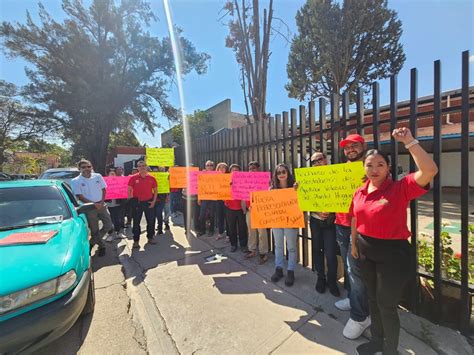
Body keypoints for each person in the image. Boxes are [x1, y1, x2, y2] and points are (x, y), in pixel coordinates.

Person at [351, 127, 437, 355]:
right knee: (372, 300)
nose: (374, 169)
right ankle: (377, 343)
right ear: (363, 168)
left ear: (389, 167)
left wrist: (409, 141)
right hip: (365, 251)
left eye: (380, 164)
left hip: (393, 255)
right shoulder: (359, 192)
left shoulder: (399, 188)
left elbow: (429, 170)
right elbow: (355, 218)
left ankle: (391, 350)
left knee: (386, 305)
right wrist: (353, 243)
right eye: (369, 165)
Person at [334, 134, 371, 340]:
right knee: (349, 269)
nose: (350, 150)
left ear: (362, 146)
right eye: (347, 148)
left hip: (361, 227)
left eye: (354, 146)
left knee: (356, 271)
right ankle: (352, 298)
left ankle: (360, 315)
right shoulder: (340, 170)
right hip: (341, 223)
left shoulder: (371, 167)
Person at [308, 152, 339, 297]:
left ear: (325, 160)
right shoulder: (308, 179)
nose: (316, 163)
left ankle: (332, 282)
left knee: (331, 253)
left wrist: (330, 212)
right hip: (315, 220)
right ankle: (321, 278)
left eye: (319, 160)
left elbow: (342, 196)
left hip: (330, 222)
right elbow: (305, 200)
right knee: (316, 250)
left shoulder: (335, 176)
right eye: (313, 162)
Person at [71, 159, 113, 257]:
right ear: (79, 169)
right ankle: (102, 246)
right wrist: (94, 204)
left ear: (91, 167)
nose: (87, 169)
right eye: (84, 167)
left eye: (89, 166)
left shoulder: (97, 176)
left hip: (101, 204)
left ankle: (91, 243)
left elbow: (104, 190)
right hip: (88, 207)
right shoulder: (75, 181)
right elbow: (80, 196)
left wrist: (102, 202)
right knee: (94, 229)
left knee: (108, 225)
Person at [270, 163, 298, 287]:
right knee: (278, 246)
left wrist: (298, 191)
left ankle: (291, 271)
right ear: (276, 175)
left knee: (291, 247)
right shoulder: (272, 189)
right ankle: (279, 269)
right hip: (277, 221)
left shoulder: (294, 187)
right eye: (279, 172)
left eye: (283, 172)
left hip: (291, 221)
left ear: (288, 173)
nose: (281, 174)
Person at [128, 160, 157, 248]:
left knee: (151, 221)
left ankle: (150, 237)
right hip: (137, 203)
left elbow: (155, 191)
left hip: (149, 202)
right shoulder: (133, 178)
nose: (142, 167)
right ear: (137, 168)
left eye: (143, 165)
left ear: (146, 167)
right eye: (140, 166)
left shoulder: (152, 178)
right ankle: (136, 241)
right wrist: (131, 201)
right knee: (136, 222)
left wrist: (153, 201)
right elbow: (129, 189)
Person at [244, 161, 269, 264]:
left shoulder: (264, 180)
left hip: (261, 210)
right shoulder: (246, 180)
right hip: (250, 209)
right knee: (251, 231)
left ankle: (263, 253)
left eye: (253, 168)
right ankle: (252, 249)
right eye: (250, 169)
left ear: (258, 169)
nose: (251, 170)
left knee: (262, 232)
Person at [224, 164, 248, 253]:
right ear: (230, 172)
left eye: (236, 170)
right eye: (233, 170)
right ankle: (233, 244)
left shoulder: (244, 181)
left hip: (241, 208)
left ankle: (243, 245)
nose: (235, 172)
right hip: (229, 207)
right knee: (231, 228)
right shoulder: (226, 181)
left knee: (242, 228)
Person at [105, 169, 125, 242]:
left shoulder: (119, 182)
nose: (112, 175)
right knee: (109, 220)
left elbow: (124, 191)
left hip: (118, 204)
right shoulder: (104, 183)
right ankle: (110, 235)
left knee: (118, 219)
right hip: (108, 205)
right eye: (111, 174)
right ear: (108, 175)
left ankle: (118, 233)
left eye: (113, 174)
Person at [197, 160, 216, 236]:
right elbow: (199, 186)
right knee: (202, 215)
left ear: (213, 167)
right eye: (207, 165)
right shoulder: (202, 174)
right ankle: (202, 230)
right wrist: (199, 198)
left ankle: (211, 230)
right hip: (204, 197)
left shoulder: (216, 174)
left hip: (213, 198)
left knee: (212, 215)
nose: (209, 167)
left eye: (211, 165)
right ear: (205, 166)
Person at [215, 162, 228, 240]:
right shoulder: (214, 178)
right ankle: (220, 233)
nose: (222, 169)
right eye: (220, 167)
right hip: (218, 200)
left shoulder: (229, 177)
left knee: (228, 218)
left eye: (224, 167)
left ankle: (228, 235)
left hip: (227, 201)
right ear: (217, 169)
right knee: (220, 217)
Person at [155, 167, 170, 234]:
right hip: (158, 197)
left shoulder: (168, 175)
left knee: (167, 211)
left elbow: (168, 186)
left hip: (166, 196)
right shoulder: (155, 175)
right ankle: (159, 226)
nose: (162, 169)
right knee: (159, 212)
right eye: (160, 167)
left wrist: (167, 196)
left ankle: (166, 223)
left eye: (163, 167)